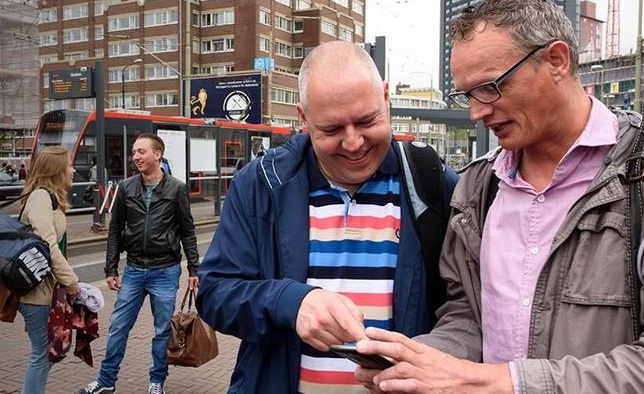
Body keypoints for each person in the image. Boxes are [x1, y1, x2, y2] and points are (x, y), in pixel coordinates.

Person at [353, 0, 644, 393]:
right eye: (467, 95)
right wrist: (420, 361)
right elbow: (468, 318)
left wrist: (509, 383)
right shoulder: (479, 186)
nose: (477, 112)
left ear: (557, 61)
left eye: (490, 87)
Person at [196, 41, 458, 393]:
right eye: (332, 130)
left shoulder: (432, 183)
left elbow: (468, 308)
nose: (353, 143)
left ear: (385, 97)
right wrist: (291, 302)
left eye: (367, 121)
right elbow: (214, 292)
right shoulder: (260, 185)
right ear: (304, 118)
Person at [76, 133, 200, 394]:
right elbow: (115, 230)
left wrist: (193, 269)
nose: (136, 157)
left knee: (162, 330)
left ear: (157, 154)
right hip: (133, 269)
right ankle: (106, 381)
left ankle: (157, 382)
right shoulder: (126, 187)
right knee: (119, 326)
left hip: (165, 271)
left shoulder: (177, 188)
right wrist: (111, 268)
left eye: (141, 152)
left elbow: (187, 231)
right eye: (134, 152)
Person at [10, 146, 79, 394]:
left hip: (45, 290)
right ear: (56, 170)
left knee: (49, 352)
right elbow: (48, 245)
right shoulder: (40, 198)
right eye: (69, 165)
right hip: (36, 294)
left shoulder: (49, 197)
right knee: (42, 353)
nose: (73, 169)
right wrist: (71, 281)